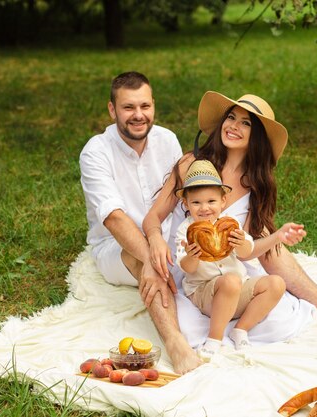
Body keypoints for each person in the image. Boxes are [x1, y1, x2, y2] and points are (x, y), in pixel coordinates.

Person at [142, 91, 317, 323]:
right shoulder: (193, 165)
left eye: (246, 123)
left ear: (257, 135)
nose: (234, 126)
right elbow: (153, 218)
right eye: (231, 117)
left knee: (278, 311)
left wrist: (279, 235)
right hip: (190, 268)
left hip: (230, 269)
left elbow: (248, 249)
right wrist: (155, 240)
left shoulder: (255, 184)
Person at [79, 71, 201, 374]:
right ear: (112, 110)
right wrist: (151, 259)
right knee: (139, 258)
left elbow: (178, 198)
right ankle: (175, 342)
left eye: (145, 106)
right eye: (128, 107)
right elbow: (115, 219)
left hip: (166, 236)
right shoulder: (95, 151)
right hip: (115, 248)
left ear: (153, 106)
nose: (138, 115)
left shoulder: (167, 139)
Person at [175, 159, 306, 360]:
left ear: (223, 201)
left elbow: (247, 252)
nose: (205, 208)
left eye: (211, 201)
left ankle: (241, 329)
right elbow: (187, 267)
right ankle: (214, 339)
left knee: (276, 283)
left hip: (238, 289)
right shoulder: (187, 231)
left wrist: (240, 243)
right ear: (186, 204)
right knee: (230, 279)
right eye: (196, 202)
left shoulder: (230, 224)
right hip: (205, 293)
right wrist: (193, 256)